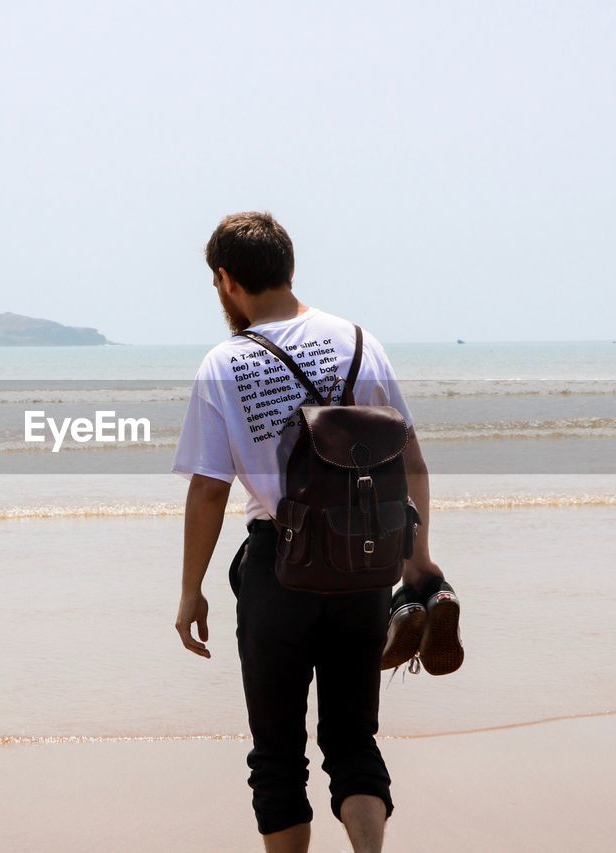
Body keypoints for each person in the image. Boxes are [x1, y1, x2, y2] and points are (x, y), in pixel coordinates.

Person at [172, 211, 460, 853]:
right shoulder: (359, 341)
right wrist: (417, 561)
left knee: (277, 754)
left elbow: (208, 489)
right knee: (353, 739)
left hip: (279, 567)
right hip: (364, 562)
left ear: (226, 281)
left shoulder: (224, 363)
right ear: (289, 266)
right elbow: (410, 459)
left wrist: (191, 590)